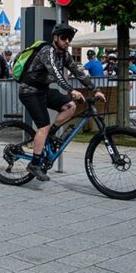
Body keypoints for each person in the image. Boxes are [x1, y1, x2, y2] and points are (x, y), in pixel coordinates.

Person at [18, 23, 104, 181]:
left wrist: (95, 89)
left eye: (69, 38)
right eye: (64, 38)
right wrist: (71, 90)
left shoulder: (64, 54)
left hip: (43, 90)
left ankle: (49, 135)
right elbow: (56, 74)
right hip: (29, 91)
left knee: (70, 106)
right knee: (43, 126)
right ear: (55, 38)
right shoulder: (47, 51)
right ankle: (35, 164)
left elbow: (77, 72)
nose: (67, 41)